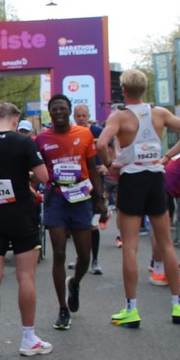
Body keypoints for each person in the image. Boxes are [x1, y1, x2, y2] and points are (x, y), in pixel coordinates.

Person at [95, 68, 180, 328]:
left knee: (130, 246)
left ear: (124, 90)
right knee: (166, 244)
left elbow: (100, 144)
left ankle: (132, 309)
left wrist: (110, 166)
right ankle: (178, 305)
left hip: (132, 179)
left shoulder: (119, 117)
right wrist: (167, 157)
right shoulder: (159, 113)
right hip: (155, 178)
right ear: (144, 88)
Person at [0, 101, 52, 355]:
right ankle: (28, 338)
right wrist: (26, 177)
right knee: (25, 276)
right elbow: (44, 176)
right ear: (15, 120)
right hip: (21, 214)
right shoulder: (23, 142)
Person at [36, 94, 107, 330]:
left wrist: (100, 198)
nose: (59, 112)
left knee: (84, 256)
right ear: (50, 112)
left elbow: (92, 168)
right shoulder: (41, 139)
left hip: (81, 197)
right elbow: (35, 169)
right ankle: (62, 308)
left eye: (62, 108)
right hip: (55, 197)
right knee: (58, 253)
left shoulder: (84, 134)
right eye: (54, 109)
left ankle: (74, 282)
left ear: (69, 111)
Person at [73, 104, 107, 275]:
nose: (81, 119)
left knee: (93, 224)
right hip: (77, 182)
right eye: (78, 116)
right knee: (78, 224)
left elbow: (110, 148)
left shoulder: (98, 131)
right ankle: (80, 258)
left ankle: (95, 260)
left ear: (88, 116)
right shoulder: (71, 133)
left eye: (83, 115)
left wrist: (107, 165)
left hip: (95, 182)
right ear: (74, 117)